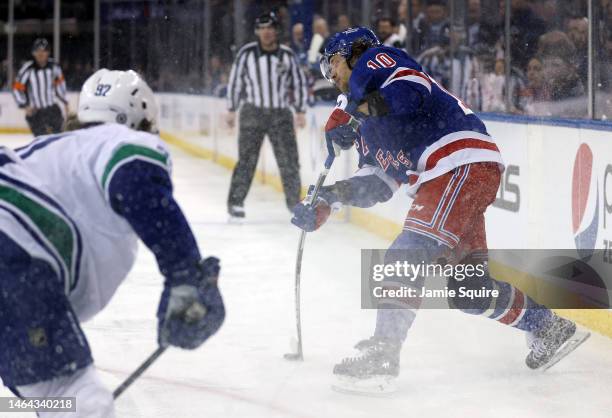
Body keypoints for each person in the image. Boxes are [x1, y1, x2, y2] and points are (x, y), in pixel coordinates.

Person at [292, 28, 589, 392]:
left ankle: (383, 354)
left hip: (455, 163)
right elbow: (378, 185)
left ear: (352, 53)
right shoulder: (367, 129)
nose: (332, 76)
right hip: (462, 172)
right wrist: (329, 196)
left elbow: (412, 91)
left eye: (333, 64)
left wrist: (356, 111)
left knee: (404, 256)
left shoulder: (375, 60)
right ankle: (547, 326)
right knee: (468, 289)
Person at [0, 69, 225, 416]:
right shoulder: (120, 141)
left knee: (56, 396)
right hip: (13, 242)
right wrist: (184, 274)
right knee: (80, 399)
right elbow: (134, 177)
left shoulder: (52, 153)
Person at [226, 11, 307, 219]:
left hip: (280, 114)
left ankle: (294, 203)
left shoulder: (287, 55)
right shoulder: (246, 54)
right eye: (262, 29)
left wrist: (300, 110)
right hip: (252, 112)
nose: (266, 33)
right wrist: (231, 109)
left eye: (270, 28)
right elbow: (235, 81)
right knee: (246, 160)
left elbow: (298, 82)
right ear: (256, 31)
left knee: (289, 160)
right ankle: (235, 203)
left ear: (276, 31)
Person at [11, 38, 68, 136]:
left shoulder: (54, 66)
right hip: (36, 112)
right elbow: (17, 88)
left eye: (44, 51)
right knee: (41, 142)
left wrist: (65, 102)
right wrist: (25, 105)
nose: (41, 54)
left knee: (59, 139)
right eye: (38, 51)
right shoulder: (28, 69)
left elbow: (60, 85)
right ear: (33, 53)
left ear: (48, 52)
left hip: (52, 110)